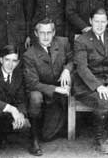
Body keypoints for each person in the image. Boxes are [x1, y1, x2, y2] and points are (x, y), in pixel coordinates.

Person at [73, 8, 108, 154]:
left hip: (107, 82)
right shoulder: (81, 40)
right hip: (87, 84)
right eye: (96, 21)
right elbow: (82, 68)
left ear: (107, 22)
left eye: (103, 22)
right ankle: (100, 139)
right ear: (90, 21)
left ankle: (105, 128)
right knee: (103, 101)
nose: (100, 25)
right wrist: (98, 87)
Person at [23, 18, 73, 156]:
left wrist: (67, 69)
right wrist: (56, 89)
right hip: (41, 91)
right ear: (36, 33)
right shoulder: (29, 54)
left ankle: (52, 126)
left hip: (57, 97)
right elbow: (32, 83)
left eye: (49, 32)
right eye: (42, 32)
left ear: (54, 32)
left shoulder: (63, 42)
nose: (46, 37)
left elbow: (73, 59)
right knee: (35, 97)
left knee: (48, 135)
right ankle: (34, 139)